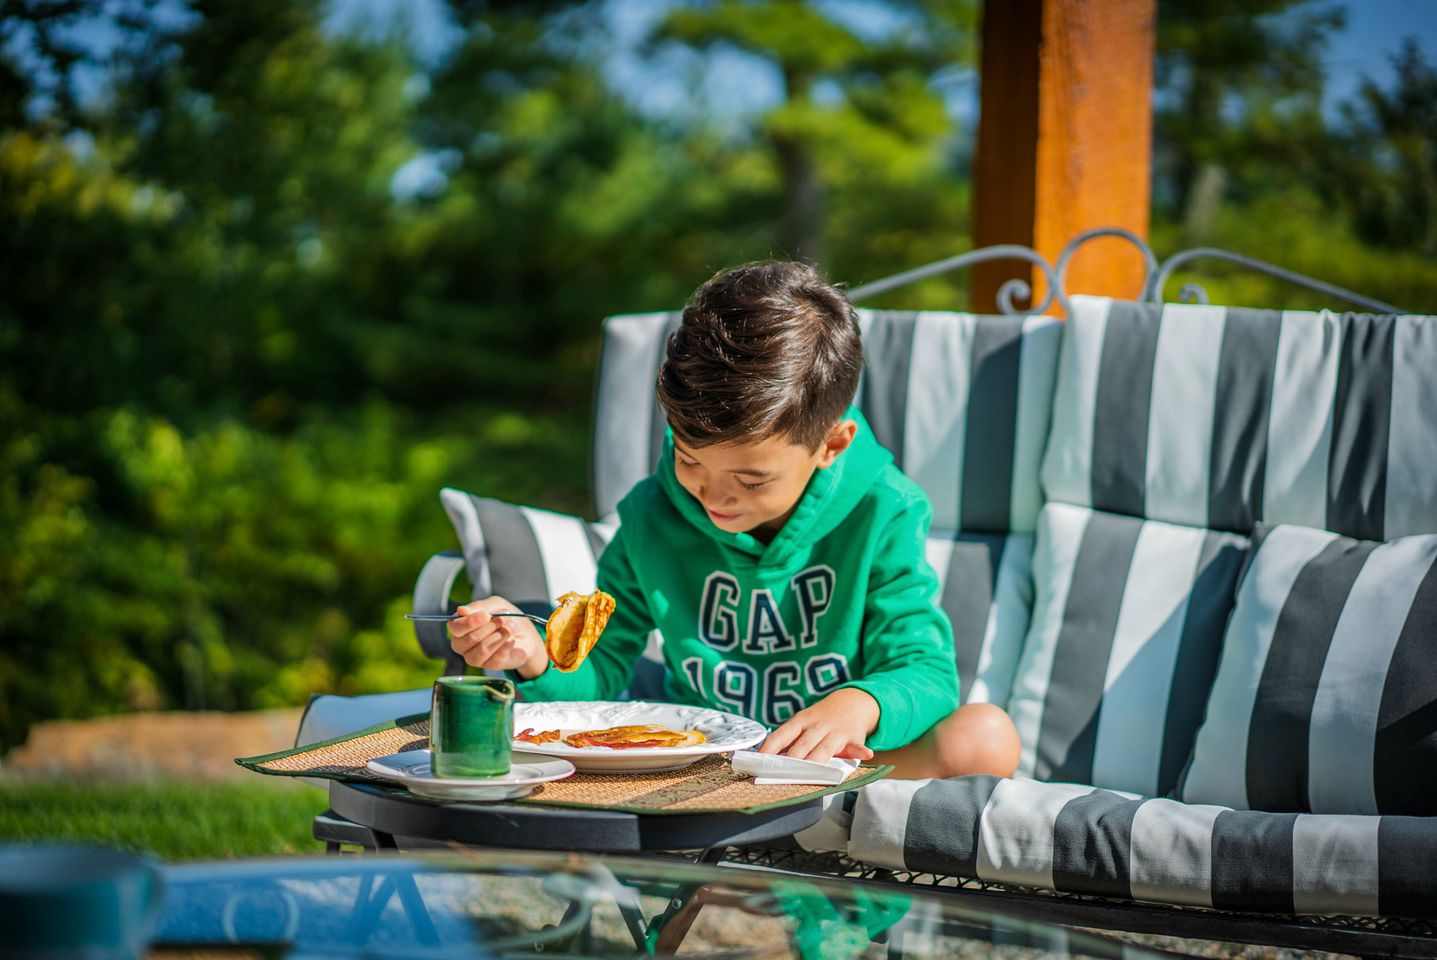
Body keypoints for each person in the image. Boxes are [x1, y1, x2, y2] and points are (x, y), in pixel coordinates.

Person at [449, 261, 1021, 779]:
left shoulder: (884, 510)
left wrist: (860, 705)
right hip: (702, 765)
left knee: (986, 736)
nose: (713, 496)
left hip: (837, 769)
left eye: (751, 480)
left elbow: (925, 671)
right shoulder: (652, 516)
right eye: (689, 460)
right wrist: (535, 657)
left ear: (831, 445)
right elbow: (601, 671)